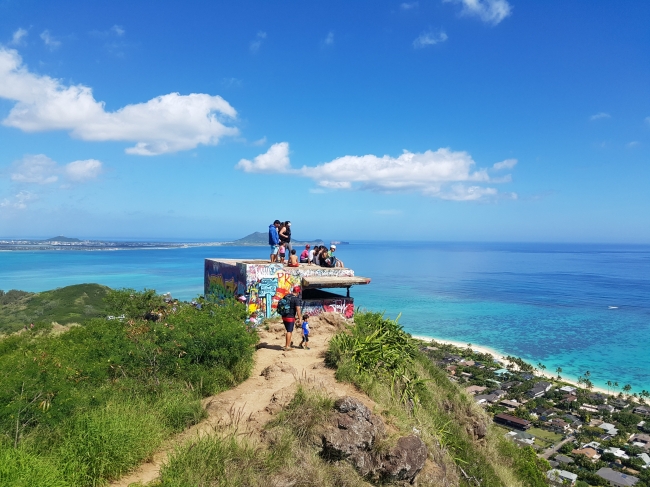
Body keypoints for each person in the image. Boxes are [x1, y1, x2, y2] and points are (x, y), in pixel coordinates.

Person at [279, 286, 302, 351]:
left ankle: (288, 344)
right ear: (298, 292)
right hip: (290, 317)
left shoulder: (286, 296)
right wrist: (300, 318)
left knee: (288, 330)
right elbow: (298, 309)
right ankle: (287, 346)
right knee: (289, 331)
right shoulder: (296, 299)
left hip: (284, 316)